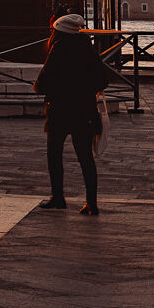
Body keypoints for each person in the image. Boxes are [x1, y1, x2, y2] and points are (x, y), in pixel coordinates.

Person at [34, 12, 110, 214]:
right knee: (85, 158)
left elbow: (41, 84)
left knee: (54, 155)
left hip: (59, 111)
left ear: (58, 31)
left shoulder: (58, 49)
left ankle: (58, 197)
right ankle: (91, 204)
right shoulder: (88, 49)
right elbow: (103, 80)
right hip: (84, 111)